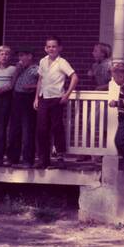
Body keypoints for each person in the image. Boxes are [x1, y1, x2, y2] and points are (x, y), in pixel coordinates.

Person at [34, 37, 77, 170]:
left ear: (59, 48)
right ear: (45, 48)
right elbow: (40, 80)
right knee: (41, 129)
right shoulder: (42, 61)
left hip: (56, 98)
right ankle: (43, 159)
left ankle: (60, 158)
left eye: (54, 46)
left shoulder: (62, 62)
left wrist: (67, 94)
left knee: (56, 128)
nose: (51, 49)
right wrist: (36, 97)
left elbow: (74, 77)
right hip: (43, 98)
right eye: (49, 46)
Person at [6, 49, 39, 167]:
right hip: (17, 98)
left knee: (27, 130)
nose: (20, 59)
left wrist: (32, 86)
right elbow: (12, 84)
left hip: (28, 98)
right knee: (14, 129)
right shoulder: (19, 69)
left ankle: (27, 160)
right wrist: (16, 72)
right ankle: (12, 158)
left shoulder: (36, 69)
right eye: (19, 56)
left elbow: (44, 82)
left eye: (22, 56)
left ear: (30, 56)